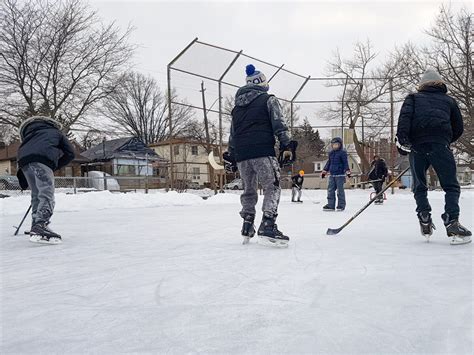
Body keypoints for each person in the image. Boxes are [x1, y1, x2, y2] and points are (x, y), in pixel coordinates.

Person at [396, 68, 471, 245]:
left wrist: (404, 142)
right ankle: (452, 221)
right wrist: (443, 139)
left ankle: (424, 216)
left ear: (421, 85)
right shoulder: (449, 101)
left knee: (419, 185)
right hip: (440, 146)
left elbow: (404, 120)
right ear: (441, 84)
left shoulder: (412, 98)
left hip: (417, 147)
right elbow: (458, 127)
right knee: (451, 186)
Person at [225, 64, 294, 246]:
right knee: (273, 185)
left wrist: (232, 154)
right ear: (263, 83)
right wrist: (287, 145)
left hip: (242, 155)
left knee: (249, 190)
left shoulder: (237, 108)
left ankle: (247, 224)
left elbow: (232, 134)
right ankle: (268, 224)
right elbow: (278, 123)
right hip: (262, 151)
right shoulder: (268, 99)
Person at [16, 116, 75, 244]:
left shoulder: (29, 135)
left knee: (37, 194)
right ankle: (40, 224)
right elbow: (71, 153)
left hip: (24, 163)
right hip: (42, 160)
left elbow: (24, 151)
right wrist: (54, 166)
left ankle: (36, 224)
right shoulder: (55, 132)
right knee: (46, 192)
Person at [321, 137, 351, 211]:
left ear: (340, 145)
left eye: (336, 145)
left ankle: (341, 205)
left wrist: (347, 171)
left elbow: (345, 163)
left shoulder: (342, 153)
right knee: (330, 190)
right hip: (332, 175)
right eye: (333, 145)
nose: (334, 146)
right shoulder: (331, 153)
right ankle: (330, 205)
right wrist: (325, 171)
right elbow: (329, 162)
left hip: (340, 175)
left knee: (340, 191)